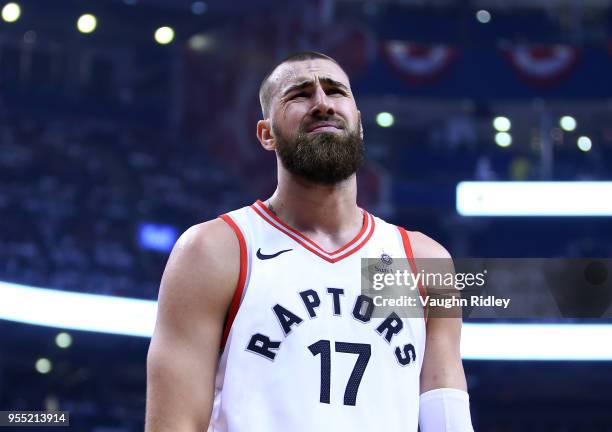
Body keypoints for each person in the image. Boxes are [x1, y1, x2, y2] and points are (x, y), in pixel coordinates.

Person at [145, 51, 474, 432]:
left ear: (359, 123)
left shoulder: (423, 261)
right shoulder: (214, 250)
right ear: (266, 134)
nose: (322, 103)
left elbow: (445, 410)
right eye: (299, 95)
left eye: (336, 91)